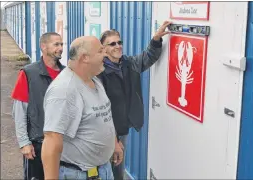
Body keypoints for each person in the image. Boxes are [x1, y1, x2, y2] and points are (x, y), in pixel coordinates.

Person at [97, 20, 171, 179]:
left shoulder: (129, 63)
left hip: (123, 127)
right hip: (104, 130)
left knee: (118, 167)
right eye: (112, 44)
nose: (118, 46)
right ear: (103, 49)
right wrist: (112, 138)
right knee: (103, 169)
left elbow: (149, 56)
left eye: (119, 42)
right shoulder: (98, 72)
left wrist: (156, 39)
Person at [41, 36, 120, 180]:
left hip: (102, 170)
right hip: (79, 174)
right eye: (100, 51)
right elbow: (52, 140)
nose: (105, 54)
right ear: (85, 58)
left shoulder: (94, 79)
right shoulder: (64, 90)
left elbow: (103, 115)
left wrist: (114, 143)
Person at [11, 32, 64, 180]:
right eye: (56, 44)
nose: (60, 48)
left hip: (63, 144)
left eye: (61, 44)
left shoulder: (66, 74)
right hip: (38, 144)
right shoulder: (28, 73)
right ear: (43, 46)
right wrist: (24, 143)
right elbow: (19, 111)